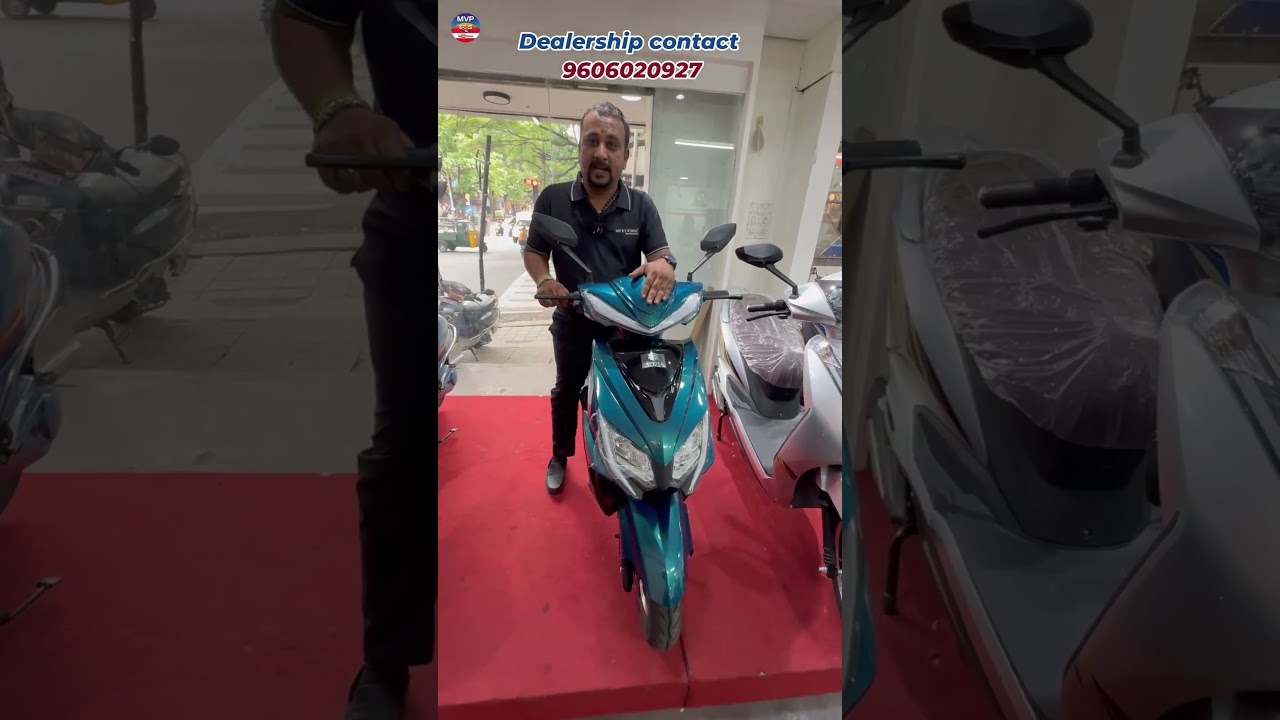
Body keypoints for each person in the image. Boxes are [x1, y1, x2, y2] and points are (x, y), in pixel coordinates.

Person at [269, 3, 430, 720]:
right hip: (411, 208)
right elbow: (307, 13)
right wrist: (337, 108)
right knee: (404, 447)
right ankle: (386, 657)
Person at [523, 102, 678, 494]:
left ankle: (631, 457)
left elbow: (661, 255)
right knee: (566, 390)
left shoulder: (641, 205)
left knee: (634, 394)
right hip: (573, 317)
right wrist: (544, 279)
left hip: (625, 324)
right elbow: (535, 251)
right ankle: (560, 454)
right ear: (580, 147)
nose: (601, 152)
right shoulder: (553, 199)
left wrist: (664, 266)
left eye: (612, 144)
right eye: (592, 141)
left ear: (625, 155)